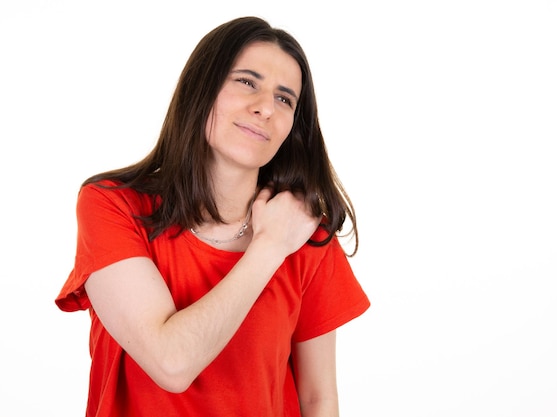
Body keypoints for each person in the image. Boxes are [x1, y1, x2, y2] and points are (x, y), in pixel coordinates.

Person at [54, 15, 370, 417]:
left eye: (285, 98)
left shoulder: (305, 233)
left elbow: (318, 399)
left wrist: (281, 237)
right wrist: (269, 246)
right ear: (202, 88)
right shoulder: (113, 207)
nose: (265, 108)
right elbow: (171, 363)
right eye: (247, 82)